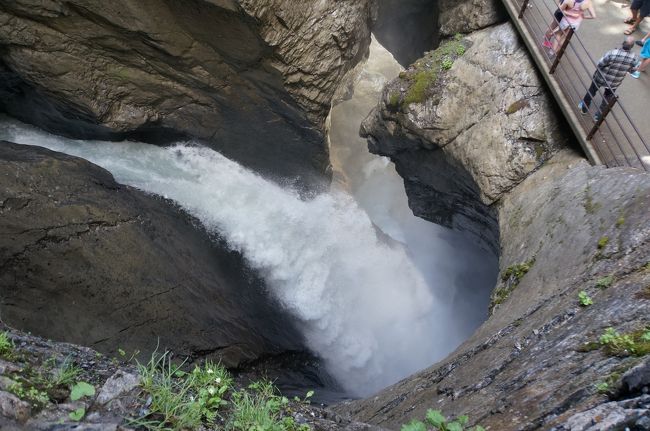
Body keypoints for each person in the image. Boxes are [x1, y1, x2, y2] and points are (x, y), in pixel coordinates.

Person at [578, 37, 639, 120]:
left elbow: (600, 63)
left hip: (601, 77)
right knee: (608, 97)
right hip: (614, 82)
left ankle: (584, 109)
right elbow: (632, 70)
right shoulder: (634, 58)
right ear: (632, 47)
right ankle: (598, 116)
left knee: (592, 91)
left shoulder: (612, 53)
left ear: (623, 43)